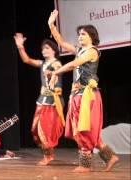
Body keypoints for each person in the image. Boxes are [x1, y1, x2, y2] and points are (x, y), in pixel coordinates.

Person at [48, 9, 119, 172]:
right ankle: (111, 156)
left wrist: (55, 72)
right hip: (77, 94)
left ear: (92, 37)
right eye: (79, 34)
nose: (80, 37)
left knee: (85, 129)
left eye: (83, 34)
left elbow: (75, 64)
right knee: (84, 129)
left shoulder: (92, 51)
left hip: (88, 96)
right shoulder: (79, 50)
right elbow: (62, 42)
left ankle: (85, 165)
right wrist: (51, 25)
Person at [13, 33, 64, 165]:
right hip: (42, 99)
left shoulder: (56, 64)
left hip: (52, 100)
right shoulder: (43, 63)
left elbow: (55, 75)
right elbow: (27, 60)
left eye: (47, 48)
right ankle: (49, 154)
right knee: (35, 128)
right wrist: (20, 47)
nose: (44, 50)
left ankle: (48, 156)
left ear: (54, 50)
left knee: (45, 128)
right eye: (42, 48)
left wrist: (51, 74)